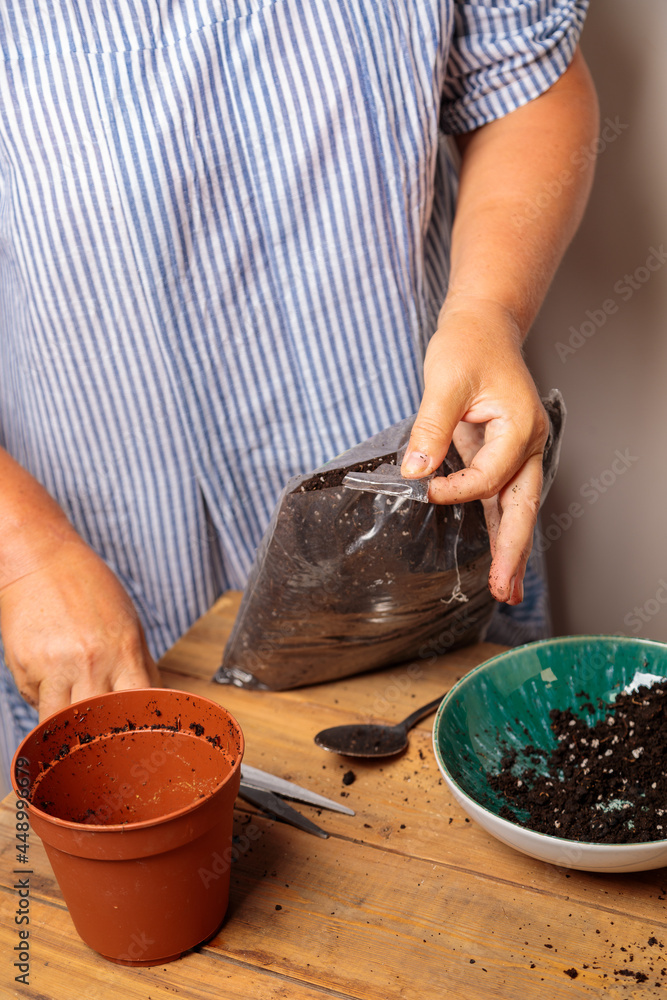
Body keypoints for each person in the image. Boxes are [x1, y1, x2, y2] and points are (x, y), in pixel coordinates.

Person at [0, 1, 599, 792]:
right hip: (99, 563)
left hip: (414, 524)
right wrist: (22, 557)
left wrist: (487, 308)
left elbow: (521, 85)